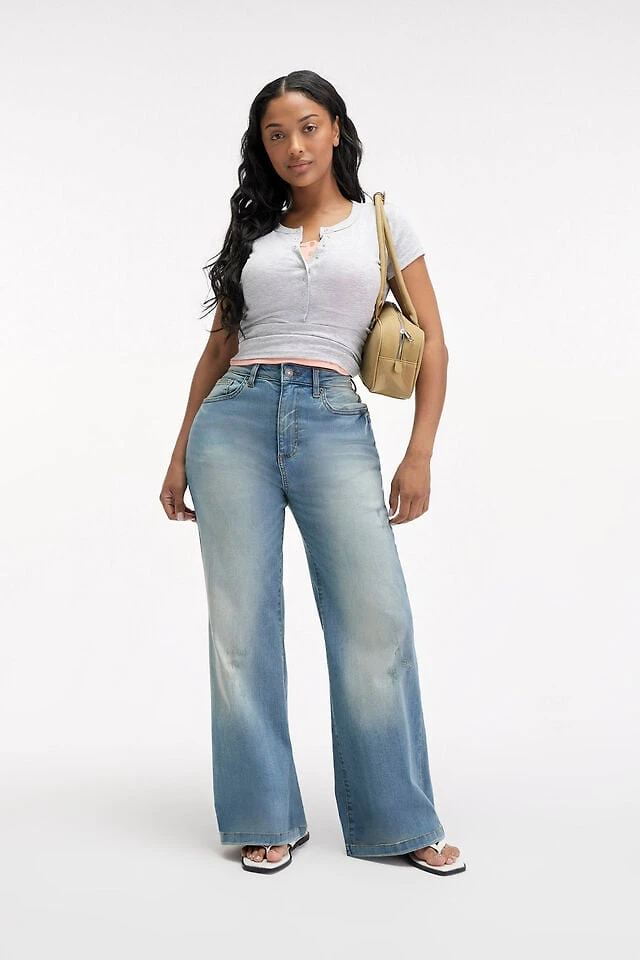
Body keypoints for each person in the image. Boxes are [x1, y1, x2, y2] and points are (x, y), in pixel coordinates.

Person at [159, 69, 466, 877]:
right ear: (262, 147)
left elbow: (434, 342)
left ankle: (398, 819)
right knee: (242, 630)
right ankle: (263, 814)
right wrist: (179, 450)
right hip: (233, 422)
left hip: (333, 419)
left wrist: (421, 452)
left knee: (375, 622)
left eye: (306, 127)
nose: (293, 145)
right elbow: (220, 348)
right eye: (275, 134)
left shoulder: (383, 224)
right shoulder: (253, 235)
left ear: (335, 129)